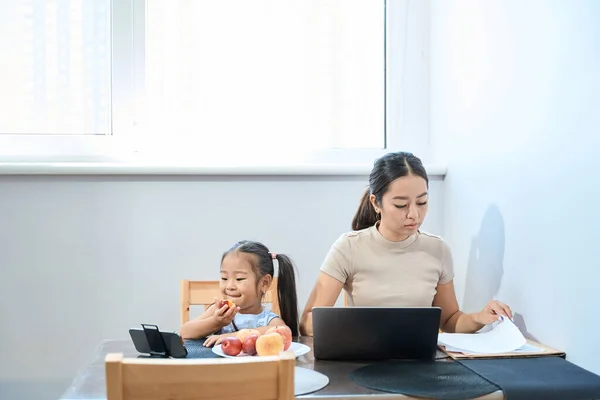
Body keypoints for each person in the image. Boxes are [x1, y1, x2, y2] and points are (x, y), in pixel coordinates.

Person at [300, 151, 513, 336]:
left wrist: (479, 318)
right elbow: (307, 323)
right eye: (401, 205)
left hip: (419, 363)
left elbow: (449, 321)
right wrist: (354, 329)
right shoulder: (349, 247)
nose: (414, 214)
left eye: (422, 202)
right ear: (376, 203)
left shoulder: (438, 250)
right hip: (365, 362)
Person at [179, 240, 299, 346]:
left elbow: (284, 330)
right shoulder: (219, 311)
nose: (230, 286)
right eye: (224, 278)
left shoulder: (267, 320)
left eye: (239, 279)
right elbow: (185, 332)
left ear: (264, 283)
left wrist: (231, 337)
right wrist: (215, 322)